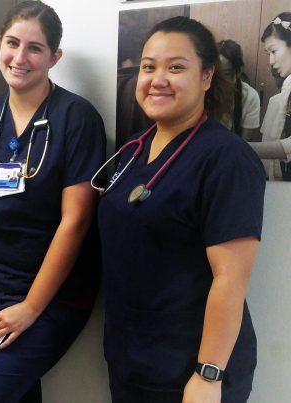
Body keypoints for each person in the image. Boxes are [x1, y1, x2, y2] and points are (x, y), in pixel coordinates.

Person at [95, 16, 265, 402]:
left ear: (206, 77)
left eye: (176, 67)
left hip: (191, 369)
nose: (157, 78)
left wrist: (208, 375)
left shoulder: (227, 160)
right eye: (148, 67)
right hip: (132, 358)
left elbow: (231, 280)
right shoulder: (132, 150)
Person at [0, 2, 106, 402]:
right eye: (12, 43)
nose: (20, 58)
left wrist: (32, 306)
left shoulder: (77, 118)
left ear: (55, 57)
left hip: (52, 295)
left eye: (35, 48)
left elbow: (76, 222)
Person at [249, 12, 291, 181]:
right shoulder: (283, 93)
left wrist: (239, 147)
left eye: (274, 51)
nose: (271, 62)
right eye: (268, 54)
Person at [217, 39, 261, 141]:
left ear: (238, 72)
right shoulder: (202, 93)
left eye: (228, 74)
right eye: (218, 75)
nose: (222, 81)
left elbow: (244, 143)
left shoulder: (250, 97)